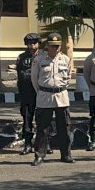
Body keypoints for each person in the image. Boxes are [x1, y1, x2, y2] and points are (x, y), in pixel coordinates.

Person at [31, 33, 74, 166]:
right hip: (45, 96)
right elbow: (34, 79)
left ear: (60, 47)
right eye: (52, 46)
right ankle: (39, 155)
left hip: (61, 96)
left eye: (57, 46)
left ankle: (66, 154)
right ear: (47, 46)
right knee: (42, 128)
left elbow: (68, 78)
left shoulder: (66, 59)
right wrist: (43, 91)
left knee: (64, 127)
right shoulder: (39, 59)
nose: (54, 49)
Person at [16, 33, 42, 155]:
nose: (32, 46)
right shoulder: (21, 57)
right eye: (29, 43)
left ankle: (43, 145)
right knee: (27, 119)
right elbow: (19, 75)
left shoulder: (44, 56)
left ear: (38, 43)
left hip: (41, 93)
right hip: (26, 94)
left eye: (34, 43)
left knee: (42, 119)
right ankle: (27, 144)